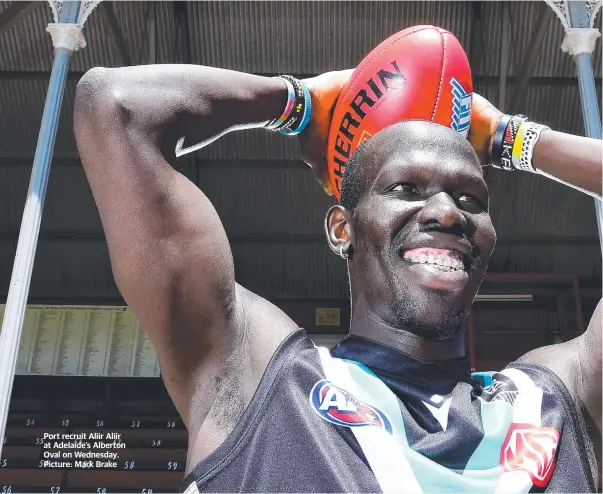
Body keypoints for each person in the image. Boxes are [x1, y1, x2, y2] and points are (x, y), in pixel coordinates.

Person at [73, 64, 601, 493]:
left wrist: (516, 139)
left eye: (471, 200)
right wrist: (297, 104)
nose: (446, 212)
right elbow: (115, 107)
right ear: (342, 228)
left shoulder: (556, 400)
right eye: (407, 189)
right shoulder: (260, 378)